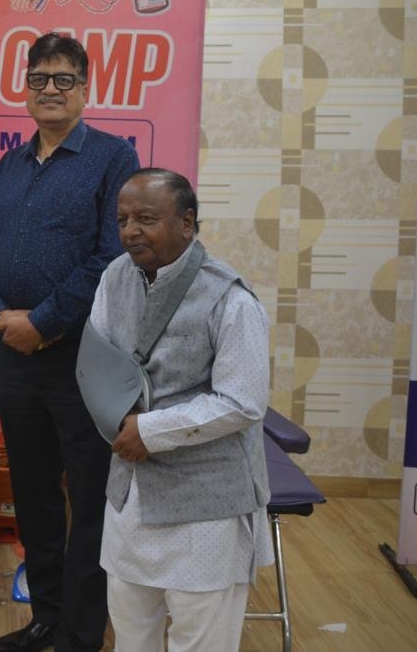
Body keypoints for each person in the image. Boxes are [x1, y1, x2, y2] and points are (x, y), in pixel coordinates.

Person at [0, 32, 139, 652]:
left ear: (85, 88)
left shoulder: (114, 158)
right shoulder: (11, 164)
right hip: (14, 358)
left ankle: (81, 634)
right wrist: (1, 316)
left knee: (88, 501)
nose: (51, 90)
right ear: (26, 88)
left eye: (64, 79)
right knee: (33, 496)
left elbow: (111, 257)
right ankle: (45, 618)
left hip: (84, 360)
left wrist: (43, 321)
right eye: (39, 79)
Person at [89, 169, 272, 651]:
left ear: (187, 223)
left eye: (146, 219)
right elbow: (97, 365)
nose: (131, 231)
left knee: (201, 640)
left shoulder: (230, 297)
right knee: (131, 636)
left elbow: (243, 402)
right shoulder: (114, 277)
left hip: (206, 506)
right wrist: (117, 421)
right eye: (123, 220)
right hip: (130, 492)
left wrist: (150, 430)